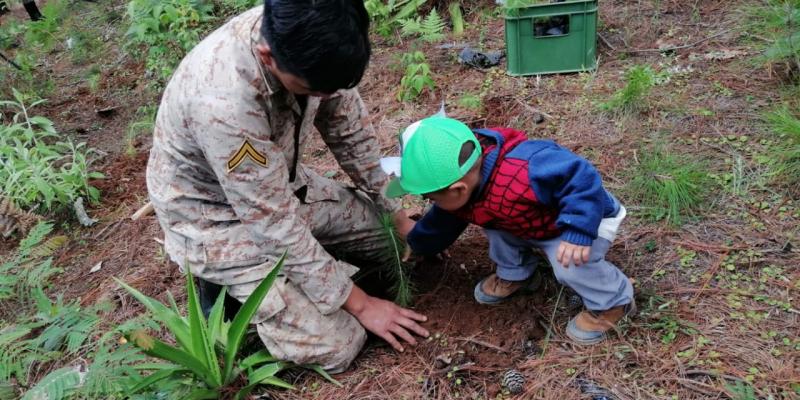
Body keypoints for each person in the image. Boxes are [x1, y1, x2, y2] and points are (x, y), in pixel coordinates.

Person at [145, 0, 428, 373]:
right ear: (267, 56)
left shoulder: (319, 41)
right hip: (216, 219)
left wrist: (399, 217)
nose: (326, 97)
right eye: (316, 90)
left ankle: (297, 276)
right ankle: (223, 287)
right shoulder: (222, 103)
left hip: (279, 187)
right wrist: (361, 305)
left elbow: (351, 137)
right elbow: (272, 224)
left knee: (397, 245)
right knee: (339, 345)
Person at [381, 117, 635, 344]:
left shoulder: (525, 168)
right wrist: (418, 244)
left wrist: (579, 229)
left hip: (583, 220)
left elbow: (581, 178)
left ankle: (613, 302)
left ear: (458, 189)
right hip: (532, 221)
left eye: (430, 198)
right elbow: (442, 222)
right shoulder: (467, 188)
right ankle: (518, 273)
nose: (431, 203)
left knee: (570, 265)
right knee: (497, 231)